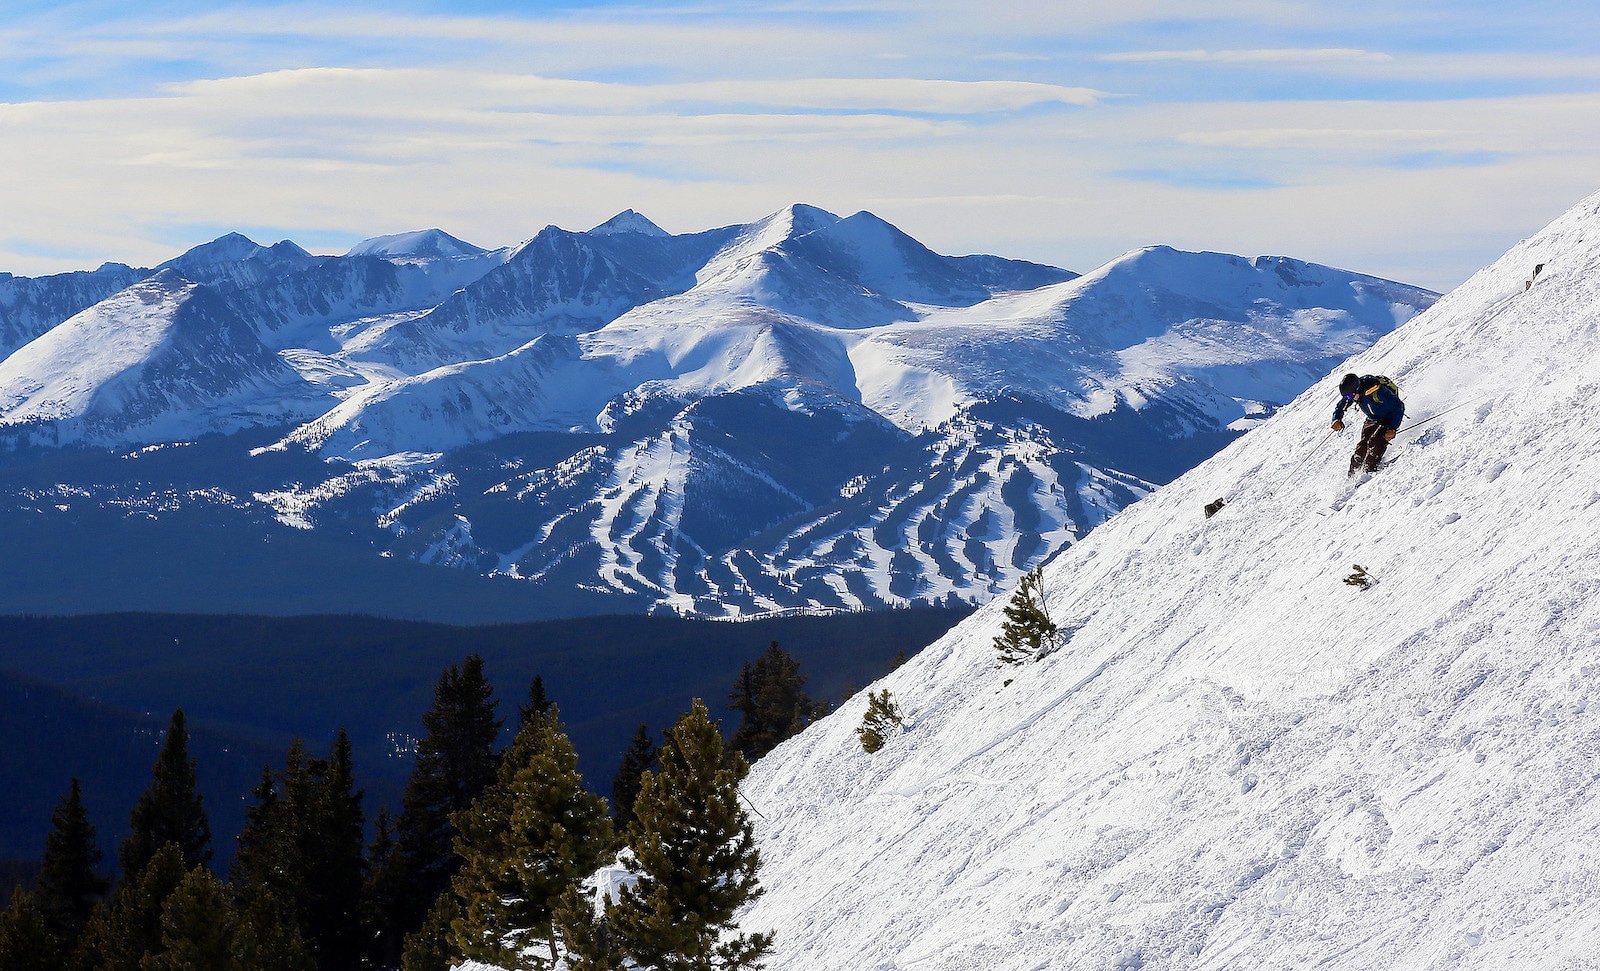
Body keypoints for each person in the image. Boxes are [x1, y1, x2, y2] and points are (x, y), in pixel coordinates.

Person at [1332, 373, 1404, 476]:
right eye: (1347, 396)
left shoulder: (1377, 390)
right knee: (1362, 446)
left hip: (1388, 417)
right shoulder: (1353, 394)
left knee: (1375, 441)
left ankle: (1369, 471)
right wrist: (1336, 419)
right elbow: (1341, 406)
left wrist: (1392, 428)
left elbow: (1398, 406)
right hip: (1372, 418)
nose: (1349, 398)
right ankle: (1352, 475)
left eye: (1350, 395)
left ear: (1357, 389)